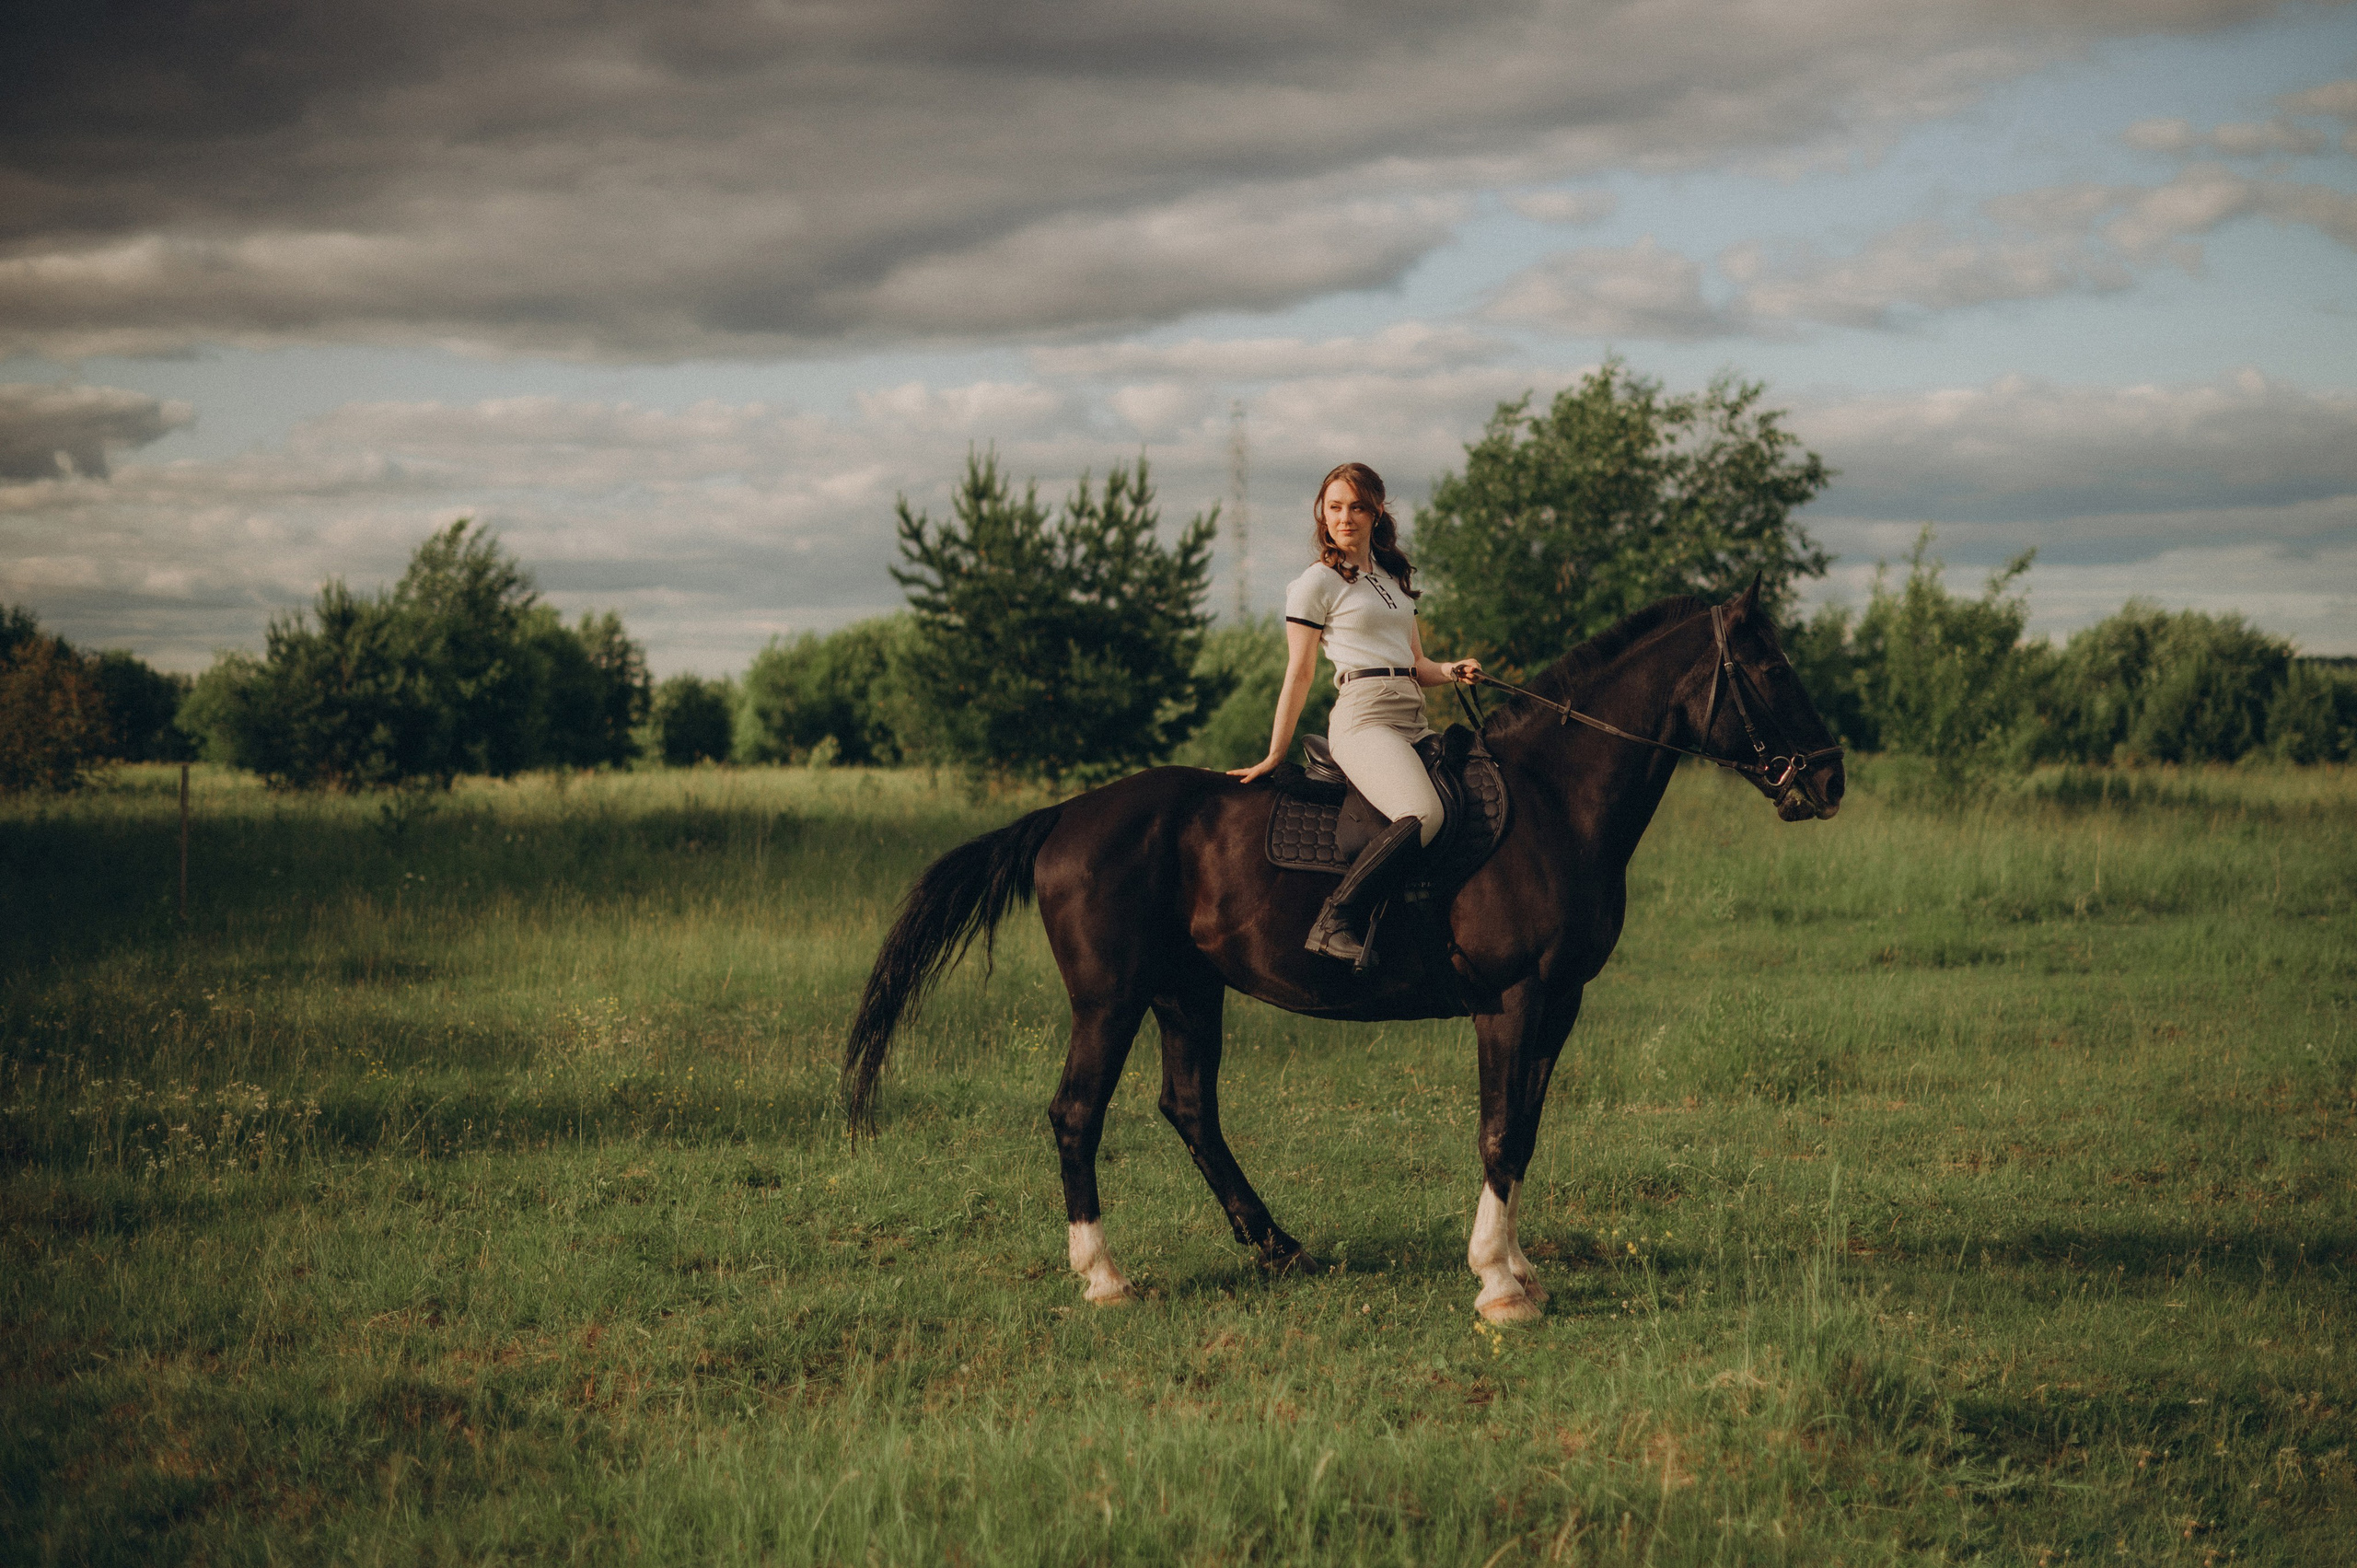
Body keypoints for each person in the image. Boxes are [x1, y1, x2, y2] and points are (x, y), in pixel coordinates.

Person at [1229, 461, 1482, 967]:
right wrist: (1276, 752)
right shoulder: (1316, 582)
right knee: (1424, 813)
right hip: (1364, 719)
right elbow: (1300, 672)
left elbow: (1417, 664)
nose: (1345, 517)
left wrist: (1453, 670)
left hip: (1412, 716)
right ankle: (1335, 918)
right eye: (1336, 507)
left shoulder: (1391, 579)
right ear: (1322, 513)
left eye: (1357, 507)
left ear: (1376, 512)